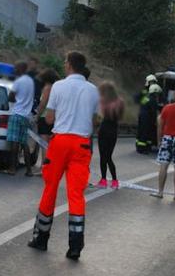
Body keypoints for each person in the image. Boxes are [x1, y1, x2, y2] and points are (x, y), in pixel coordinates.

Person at [29, 51, 99, 260]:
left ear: (69, 65)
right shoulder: (93, 90)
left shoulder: (58, 86)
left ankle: (41, 238)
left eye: (65, 62)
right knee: (76, 194)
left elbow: (50, 118)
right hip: (82, 144)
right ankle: (75, 246)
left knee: (50, 188)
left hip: (60, 143)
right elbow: (95, 120)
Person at [4, 61, 35, 176]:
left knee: (14, 142)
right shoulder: (30, 81)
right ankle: (29, 170)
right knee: (24, 143)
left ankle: (12, 168)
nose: (14, 70)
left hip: (16, 113)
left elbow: (10, 97)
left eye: (16, 68)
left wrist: (15, 100)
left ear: (21, 69)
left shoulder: (18, 81)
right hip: (26, 116)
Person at [96, 81, 124, 189]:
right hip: (113, 131)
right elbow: (119, 117)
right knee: (108, 157)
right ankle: (114, 181)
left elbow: (101, 114)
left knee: (103, 156)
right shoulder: (120, 101)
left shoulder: (104, 101)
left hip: (104, 129)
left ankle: (104, 180)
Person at [33, 68, 59, 166]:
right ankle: (47, 166)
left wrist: (37, 115)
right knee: (49, 144)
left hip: (44, 117)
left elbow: (43, 103)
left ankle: (43, 167)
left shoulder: (47, 88)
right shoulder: (55, 88)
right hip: (53, 117)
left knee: (44, 144)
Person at [136, 84, 162, 153]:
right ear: (155, 92)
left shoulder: (146, 97)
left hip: (141, 115)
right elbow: (153, 111)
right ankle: (142, 149)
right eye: (157, 93)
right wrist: (154, 121)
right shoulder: (153, 100)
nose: (157, 95)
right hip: (147, 118)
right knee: (145, 132)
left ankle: (139, 146)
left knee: (140, 131)